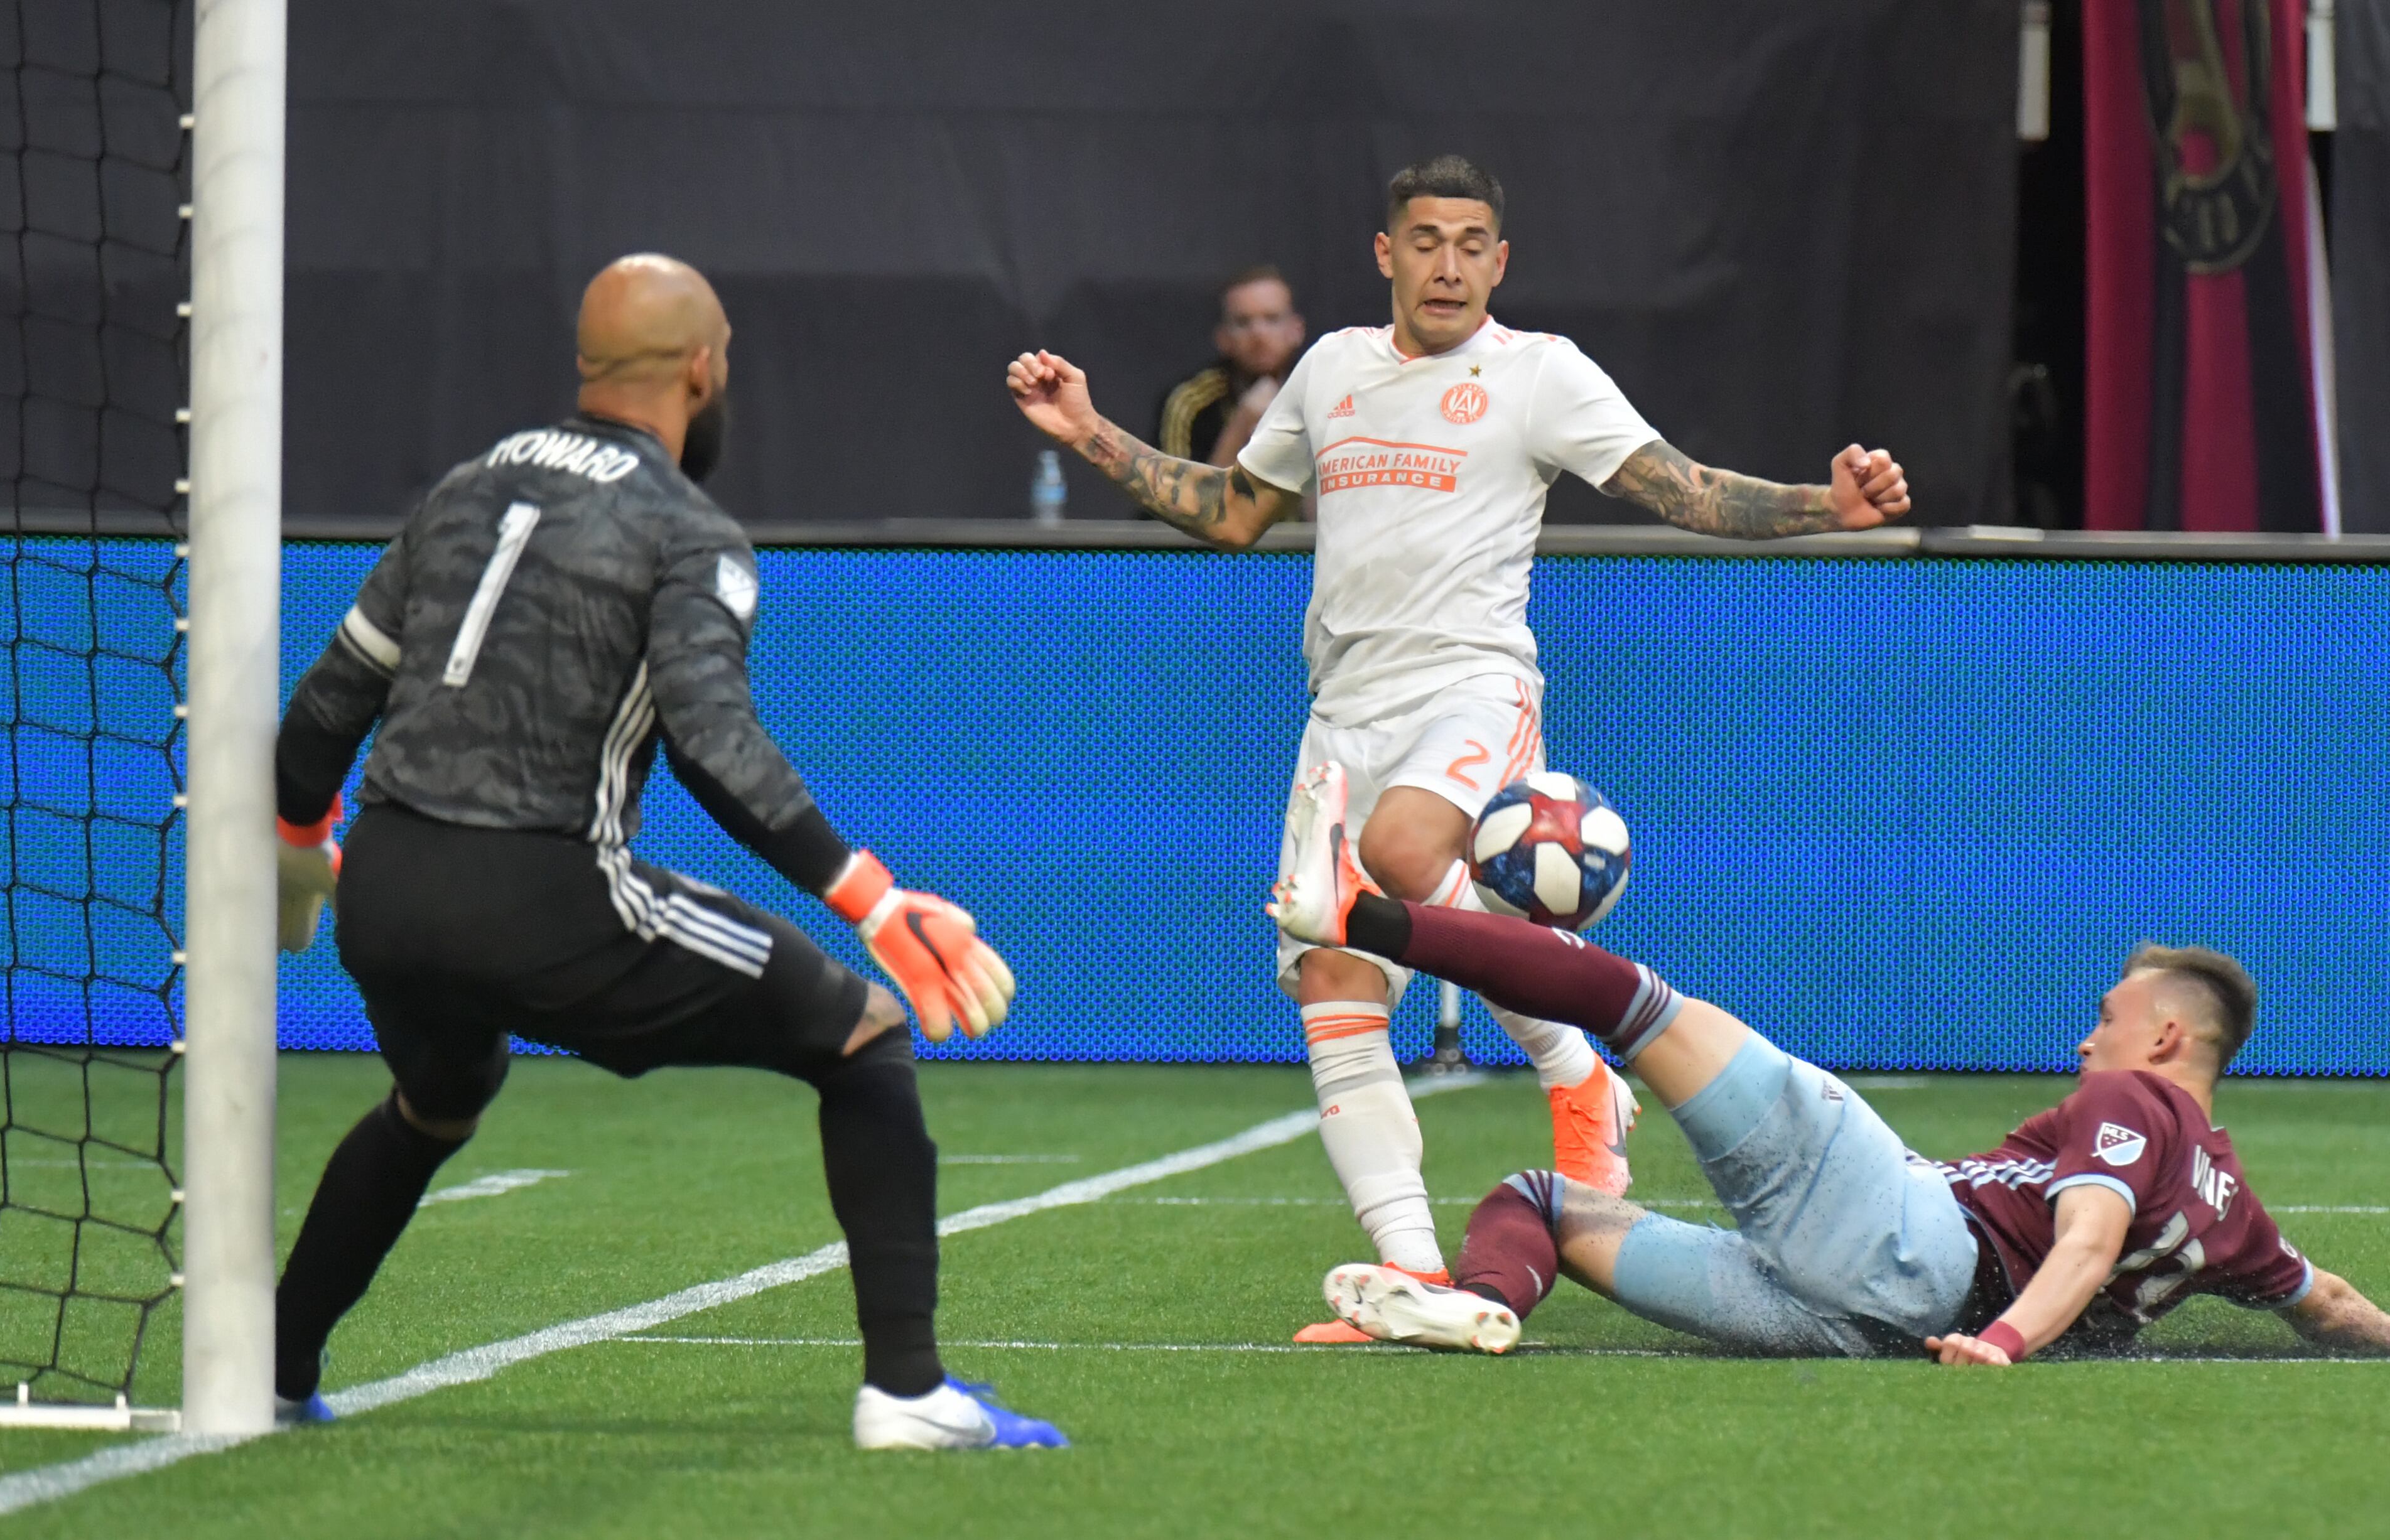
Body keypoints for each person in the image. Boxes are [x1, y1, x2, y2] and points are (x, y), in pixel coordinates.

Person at [1007, 154, 1911, 1341]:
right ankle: (1418, 1279)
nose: (1448, 264)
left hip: (1473, 687)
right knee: (1334, 982)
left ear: (1500, 260)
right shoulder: (1332, 367)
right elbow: (1233, 511)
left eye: (1471, 243)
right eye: (1426, 240)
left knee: (1402, 850)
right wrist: (1088, 431)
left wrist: (1824, 506)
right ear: (1387, 253)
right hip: (1343, 712)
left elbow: (1681, 488)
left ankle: (1573, 1063)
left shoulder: (1539, 373)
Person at [266, 254, 1064, 1449]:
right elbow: (713, 740)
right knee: (864, 1034)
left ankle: (273, 1370)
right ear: (700, 368)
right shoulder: (690, 530)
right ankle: (908, 1392)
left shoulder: (464, 489)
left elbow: (330, 700)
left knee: (440, 1094)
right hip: (543, 894)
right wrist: (873, 897)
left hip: (383, 886)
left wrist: (299, 842)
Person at [1270, 763, 2390, 1361]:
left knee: (1630, 1000)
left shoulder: (2136, 1095)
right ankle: (1479, 1306)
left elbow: (2089, 1237)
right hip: (1855, 1321)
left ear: (2167, 1038)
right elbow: (2332, 1303)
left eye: (2108, 1017)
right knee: (1539, 1203)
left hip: (1908, 1242)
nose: (2087, 1041)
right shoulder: (2235, 1209)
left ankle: (1358, 914)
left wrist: (2003, 1343)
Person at [1157, 266, 1306, 468]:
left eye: (1272, 319)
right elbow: (1171, 486)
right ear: (1223, 338)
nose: (1259, 334)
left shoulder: (1321, 392)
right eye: (1243, 323)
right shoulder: (1190, 402)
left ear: (1297, 330)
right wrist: (1241, 426)